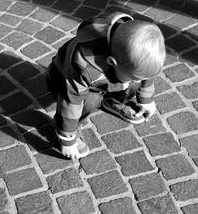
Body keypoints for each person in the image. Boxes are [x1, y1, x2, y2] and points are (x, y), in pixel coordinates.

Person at [45, 11, 166, 159]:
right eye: (133, 76)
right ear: (111, 62)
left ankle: (112, 101)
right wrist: (67, 139)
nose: (136, 79)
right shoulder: (82, 65)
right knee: (90, 100)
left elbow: (147, 73)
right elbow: (70, 100)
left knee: (133, 84)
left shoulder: (130, 50)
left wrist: (146, 99)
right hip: (64, 84)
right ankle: (69, 130)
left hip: (106, 78)